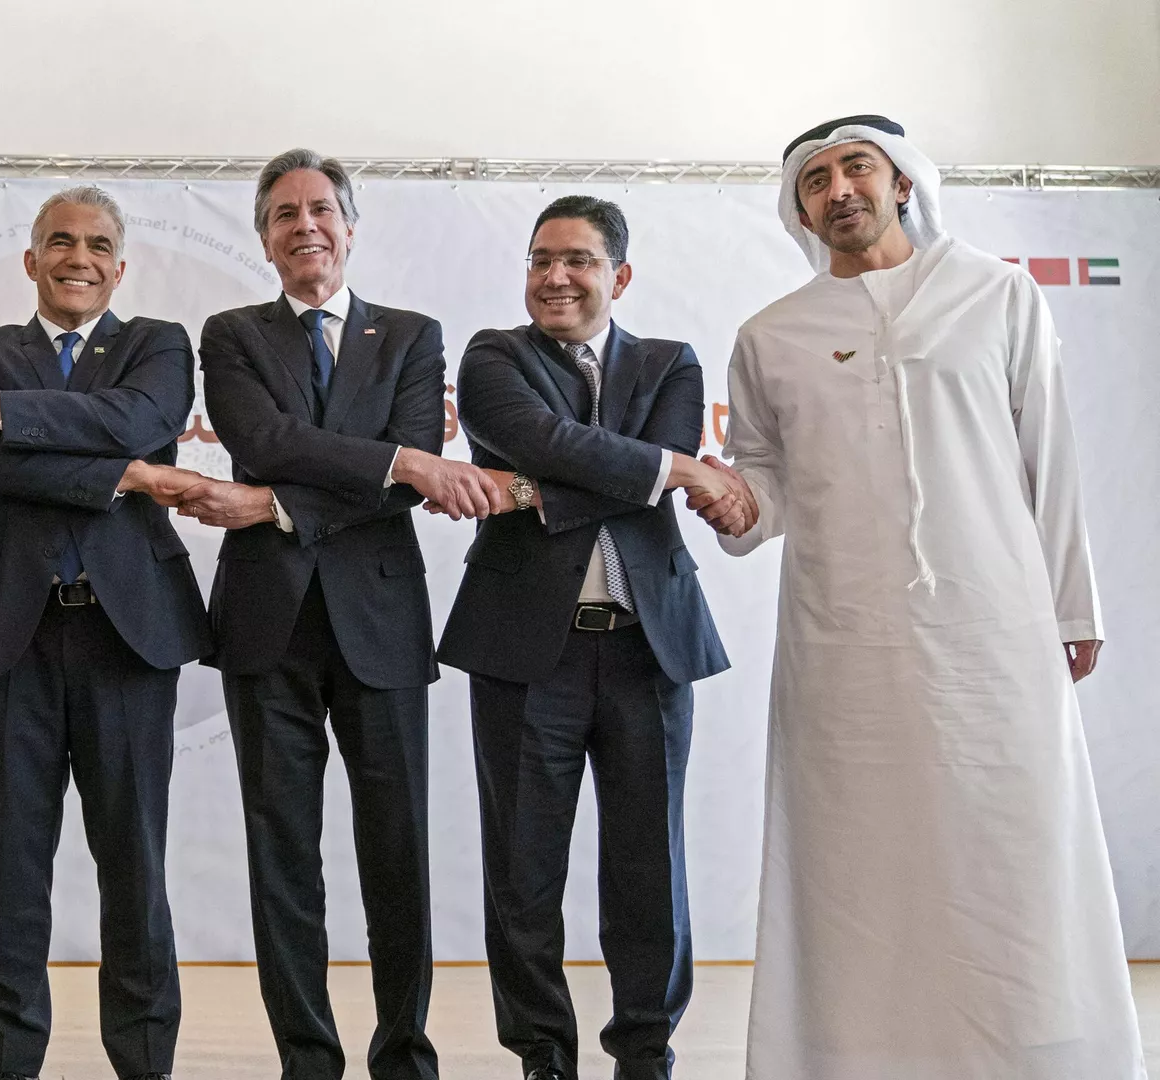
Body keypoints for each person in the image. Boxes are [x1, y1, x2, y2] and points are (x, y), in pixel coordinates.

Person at [694, 114, 1142, 1078]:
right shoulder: (771, 335)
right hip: (844, 639)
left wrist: (1072, 607)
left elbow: (1051, 457)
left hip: (996, 628)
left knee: (1008, 851)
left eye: (857, 167)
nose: (839, 190)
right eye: (815, 180)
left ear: (902, 182)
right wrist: (731, 503)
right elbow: (766, 485)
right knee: (859, 859)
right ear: (799, 209)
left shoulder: (998, 293)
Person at [179, 148, 500, 1080]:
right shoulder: (232, 334)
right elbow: (265, 439)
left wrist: (279, 504)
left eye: (321, 209)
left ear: (350, 228)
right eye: (284, 214)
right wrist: (396, 461)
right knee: (283, 855)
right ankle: (307, 1060)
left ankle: (405, 1054)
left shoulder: (411, 335)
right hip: (265, 625)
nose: (305, 226)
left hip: (381, 622)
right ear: (264, 239)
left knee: (397, 850)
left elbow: (405, 468)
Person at [435, 195, 731, 1080]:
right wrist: (662, 469)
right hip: (527, 650)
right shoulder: (494, 356)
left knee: (650, 868)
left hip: (649, 648)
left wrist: (530, 489)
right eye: (540, 260)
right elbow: (538, 437)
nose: (554, 277)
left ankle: (645, 1053)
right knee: (523, 871)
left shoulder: (672, 362)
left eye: (577, 260)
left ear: (620, 276)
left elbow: (588, 461)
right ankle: (543, 1056)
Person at [0, 185, 211, 1080]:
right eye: (59, 241)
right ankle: (12, 1065)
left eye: (96, 245)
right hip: (10, 636)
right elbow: (0, 467)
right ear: (31, 259)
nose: (76, 258)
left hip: (130, 639)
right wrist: (129, 476)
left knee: (135, 866)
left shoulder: (159, 344)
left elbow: (141, 419)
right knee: (14, 869)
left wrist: (8, 411)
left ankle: (145, 1062)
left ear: (119, 268)